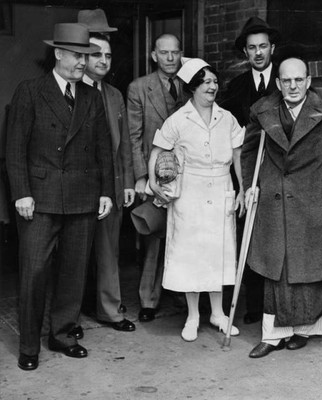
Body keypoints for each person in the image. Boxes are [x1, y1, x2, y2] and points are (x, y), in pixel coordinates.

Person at [6, 23, 114, 371]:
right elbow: (14, 149)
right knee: (34, 272)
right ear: (58, 54)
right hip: (40, 199)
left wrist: (106, 192)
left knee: (73, 272)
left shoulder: (91, 96)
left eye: (87, 55)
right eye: (78, 55)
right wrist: (21, 192)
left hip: (82, 197)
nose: (84, 62)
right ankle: (28, 346)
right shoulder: (30, 91)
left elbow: (103, 151)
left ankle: (63, 334)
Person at [241, 56, 322, 358]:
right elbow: (251, 151)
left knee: (310, 267)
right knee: (275, 267)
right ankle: (273, 335)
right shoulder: (262, 110)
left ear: (308, 81)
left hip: (313, 198)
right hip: (274, 198)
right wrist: (249, 185)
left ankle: (304, 330)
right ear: (278, 83)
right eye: (286, 81)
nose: (293, 86)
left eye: (298, 80)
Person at [148, 58, 245, 342]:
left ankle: (218, 313)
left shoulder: (226, 118)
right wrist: (154, 182)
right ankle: (193, 315)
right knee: (192, 255)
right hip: (189, 193)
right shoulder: (178, 120)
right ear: (193, 88)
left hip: (221, 189)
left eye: (214, 82)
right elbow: (157, 150)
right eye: (205, 83)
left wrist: (242, 188)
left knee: (218, 253)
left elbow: (238, 155)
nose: (212, 87)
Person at [78, 10, 135, 333]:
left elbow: (124, 143)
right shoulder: (73, 92)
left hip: (111, 188)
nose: (103, 61)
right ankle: (68, 318)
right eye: (97, 54)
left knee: (109, 253)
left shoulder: (113, 95)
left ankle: (110, 311)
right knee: (74, 258)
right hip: (78, 189)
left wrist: (127, 182)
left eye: (108, 55)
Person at [220, 16, 280, 325]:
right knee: (251, 235)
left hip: (281, 169)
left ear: (273, 48)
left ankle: (278, 304)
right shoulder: (236, 88)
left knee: (278, 234)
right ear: (245, 52)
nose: (258, 53)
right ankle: (255, 304)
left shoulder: (285, 82)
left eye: (263, 47)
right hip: (249, 171)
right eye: (252, 48)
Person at [127, 34, 190, 322]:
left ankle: (182, 293)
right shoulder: (139, 88)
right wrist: (141, 176)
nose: (169, 58)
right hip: (154, 173)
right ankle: (148, 300)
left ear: (181, 55)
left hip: (187, 174)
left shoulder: (191, 85)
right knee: (153, 236)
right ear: (153, 55)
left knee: (185, 235)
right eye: (163, 53)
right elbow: (134, 136)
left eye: (174, 53)